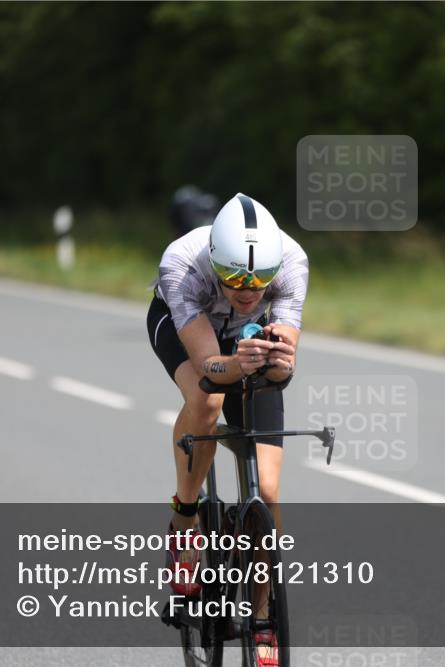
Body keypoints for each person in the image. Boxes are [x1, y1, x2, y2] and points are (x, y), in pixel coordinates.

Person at [147, 193, 308, 666]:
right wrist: (236, 364)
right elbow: (207, 365)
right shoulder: (181, 263)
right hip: (191, 335)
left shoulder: (293, 262)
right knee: (208, 399)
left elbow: (284, 370)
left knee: (271, 492)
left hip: (248, 340)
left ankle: (262, 618)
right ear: (216, 262)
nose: (248, 289)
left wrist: (277, 365)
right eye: (235, 277)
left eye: (260, 279)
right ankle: (186, 519)